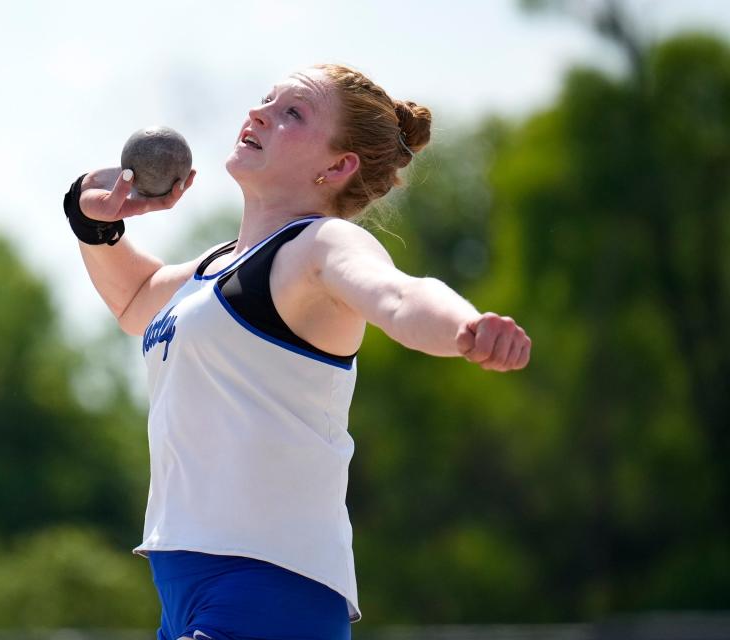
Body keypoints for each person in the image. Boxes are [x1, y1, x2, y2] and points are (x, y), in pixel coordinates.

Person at [62, 63, 531, 640]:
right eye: (266, 100)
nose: (258, 113)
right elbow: (136, 301)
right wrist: (92, 221)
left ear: (337, 167)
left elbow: (400, 294)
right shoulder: (214, 266)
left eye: (293, 113)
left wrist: (468, 326)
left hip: (269, 592)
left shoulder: (320, 246)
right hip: (187, 590)